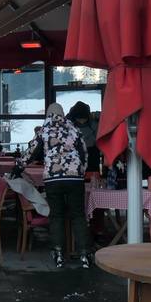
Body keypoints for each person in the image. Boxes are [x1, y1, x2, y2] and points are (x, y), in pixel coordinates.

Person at [26, 103, 89, 269]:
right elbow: (84, 153)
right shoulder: (74, 129)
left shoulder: (44, 130)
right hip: (75, 178)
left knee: (56, 216)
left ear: (48, 114)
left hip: (53, 179)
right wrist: (80, 171)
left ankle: (58, 253)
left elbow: (30, 152)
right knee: (78, 215)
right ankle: (84, 254)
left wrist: (18, 167)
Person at [68, 101, 102, 173]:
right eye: (79, 119)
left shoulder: (94, 120)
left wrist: (96, 114)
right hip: (76, 153)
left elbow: (108, 116)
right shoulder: (68, 123)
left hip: (92, 154)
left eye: (84, 119)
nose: (82, 121)